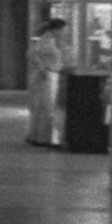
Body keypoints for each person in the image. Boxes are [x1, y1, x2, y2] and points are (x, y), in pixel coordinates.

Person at [26, 16, 70, 146]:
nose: (64, 32)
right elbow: (32, 54)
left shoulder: (50, 40)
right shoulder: (47, 41)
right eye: (63, 30)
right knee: (47, 106)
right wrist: (42, 69)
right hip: (48, 76)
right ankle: (43, 138)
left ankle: (37, 136)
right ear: (56, 29)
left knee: (42, 106)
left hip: (50, 74)